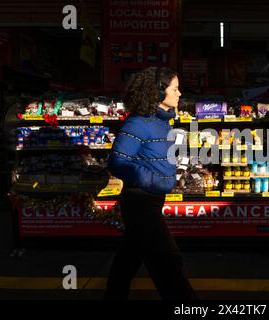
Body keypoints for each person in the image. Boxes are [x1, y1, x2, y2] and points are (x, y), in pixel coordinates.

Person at [103, 67, 197, 300]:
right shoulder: (138, 123)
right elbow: (117, 162)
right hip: (140, 202)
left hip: (151, 199)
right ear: (158, 92)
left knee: (128, 259)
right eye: (174, 88)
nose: (179, 93)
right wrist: (154, 180)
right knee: (168, 262)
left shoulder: (161, 122)